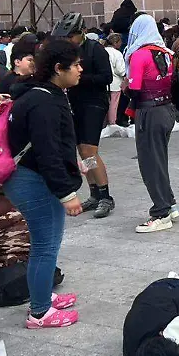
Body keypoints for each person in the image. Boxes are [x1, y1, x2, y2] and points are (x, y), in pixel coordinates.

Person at [4, 38, 84, 328]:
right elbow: (47, 151)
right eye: (75, 65)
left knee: (47, 243)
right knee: (45, 245)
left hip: (33, 176)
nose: (80, 70)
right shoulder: (43, 101)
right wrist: (67, 194)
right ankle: (40, 312)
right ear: (58, 68)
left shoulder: (43, 94)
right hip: (33, 180)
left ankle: (43, 296)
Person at [125, 15, 179, 234]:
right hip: (166, 108)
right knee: (159, 160)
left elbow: (135, 88)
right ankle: (170, 203)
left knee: (150, 163)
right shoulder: (166, 53)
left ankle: (161, 212)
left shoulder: (140, 55)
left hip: (149, 111)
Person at [57, 14, 115, 218]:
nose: (67, 40)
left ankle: (106, 196)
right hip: (75, 103)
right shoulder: (68, 52)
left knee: (90, 149)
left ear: (80, 33)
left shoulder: (95, 49)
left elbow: (106, 77)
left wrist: (80, 79)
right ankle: (95, 192)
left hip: (94, 103)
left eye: (70, 36)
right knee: (81, 150)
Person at [104, 33, 127, 125]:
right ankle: (112, 122)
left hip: (104, 82)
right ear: (116, 42)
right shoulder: (117, 53)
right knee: (113, 105)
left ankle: (105, 123)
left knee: (106, 104)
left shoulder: (103, 51)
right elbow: (120, 70)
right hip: (115, 83)